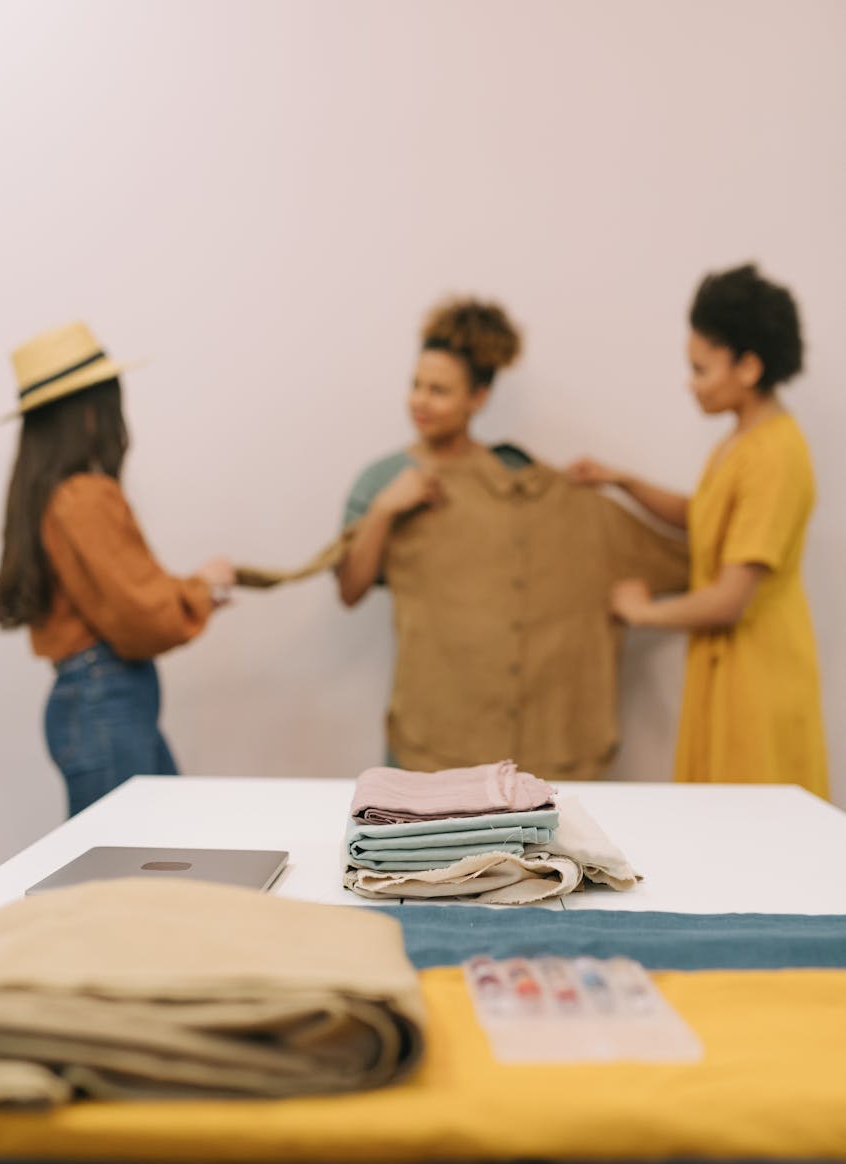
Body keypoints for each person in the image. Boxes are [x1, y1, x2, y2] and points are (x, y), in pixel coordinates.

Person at [336, 298, 687, 779]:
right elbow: (350, 589)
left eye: (439, 390)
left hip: (532, 742)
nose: (420, 401)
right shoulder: (383, 478)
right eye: (416, 385)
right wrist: (385, 510)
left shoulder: (513, 476)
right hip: (430, 731)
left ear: (477, 398)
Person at [569, 264, 828, 798]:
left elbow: (729, 600)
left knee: (751, 833)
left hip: (758, 675)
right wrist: (623, 481)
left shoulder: (776, 455)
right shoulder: (741, 441)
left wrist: (642, 612)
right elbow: (704, 515)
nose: (691, 384)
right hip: (725, 668)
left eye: (701, 369)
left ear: (749, 366)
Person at [0, 321, 235, 816]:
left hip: (96, 700)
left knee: (151, 854)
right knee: (121, 875)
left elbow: (121, 592)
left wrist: (191, 591)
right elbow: (137, 611)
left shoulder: (49, 497)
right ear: (89, 413)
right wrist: (201, 590)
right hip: (107, 700)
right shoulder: (85, 495)